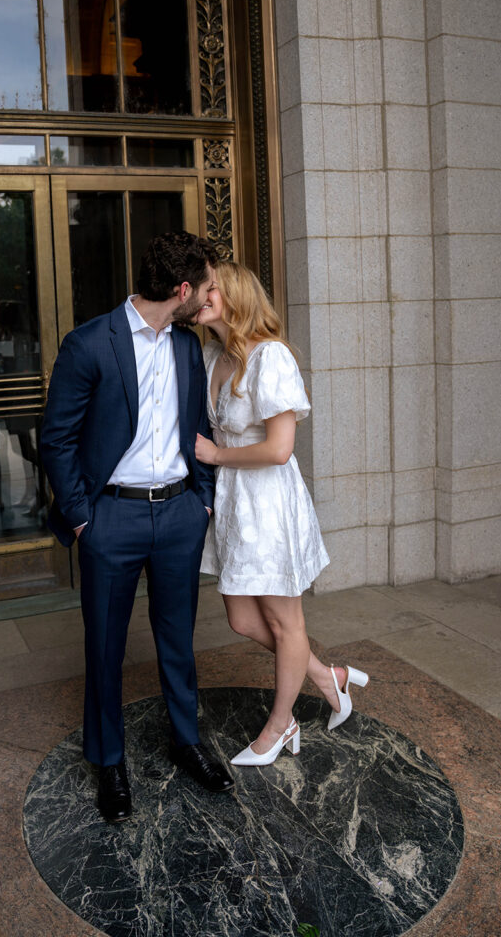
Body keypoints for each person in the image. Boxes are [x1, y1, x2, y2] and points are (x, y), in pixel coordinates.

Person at [41, 231, 234, 822]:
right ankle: (109, 761)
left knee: (178, 639)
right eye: (202, 288)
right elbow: (57, 438)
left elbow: (197, 423)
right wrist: (82, 520)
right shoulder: (89, 343)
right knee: (105, 646)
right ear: (180, 290)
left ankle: (186, 741)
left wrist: (199, 502)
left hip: (178, 514)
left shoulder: (184, 347)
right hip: (111, 519)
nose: (206, 299)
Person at [195, 261, 369, 766]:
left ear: (237, 297)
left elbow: (278, 449)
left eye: (212, 289)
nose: (203, 297)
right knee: (243, 618)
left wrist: (216, 456)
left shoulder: (270, 357)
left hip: (268, 501)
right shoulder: (213, 356)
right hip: (234, 503)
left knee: (285, 620)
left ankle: (280, 724)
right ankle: (325, 677)